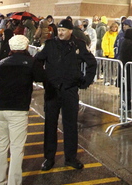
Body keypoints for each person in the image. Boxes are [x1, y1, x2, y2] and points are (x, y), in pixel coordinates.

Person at [35, 19, 97, 171]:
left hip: (69, 90)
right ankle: (49, 158)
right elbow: (37, 61)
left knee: (70, 125)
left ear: (70, 31)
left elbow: (92, 63)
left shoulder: (78, 44)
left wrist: (85, 81)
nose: (60, 32)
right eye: (59, 30)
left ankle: (70, 158)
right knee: (50, 125)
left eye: (63, 30)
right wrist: (44, 78)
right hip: (52, 91)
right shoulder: (50, 45)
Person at [0, 35, 44, 185]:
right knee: (16, 149)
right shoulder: (30, 63)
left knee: (0, 145)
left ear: (11, 48)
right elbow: (43, 77)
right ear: (26, 47)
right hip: (18, 110)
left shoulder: (1, 63)